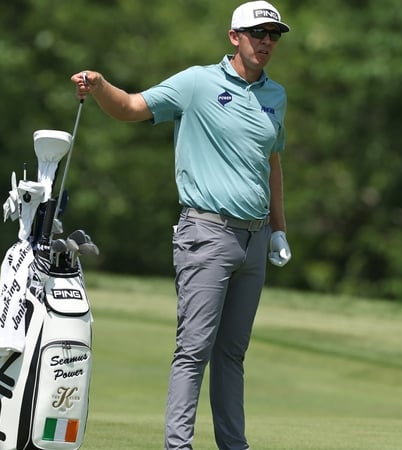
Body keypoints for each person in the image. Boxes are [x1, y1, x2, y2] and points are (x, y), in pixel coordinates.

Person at [70, 1, 292, 448]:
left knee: (232, 354)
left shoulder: (276, 95)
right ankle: (178, 446)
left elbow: (272, 163)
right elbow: (132, 107)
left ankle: (234, 444)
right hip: (206, 234)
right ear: (235, 37)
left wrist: (279, 229)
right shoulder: (197, 83)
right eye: (258, 33)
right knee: (193, 351)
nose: (267, 41)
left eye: (274, 35)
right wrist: (99, 85)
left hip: (254, 239)